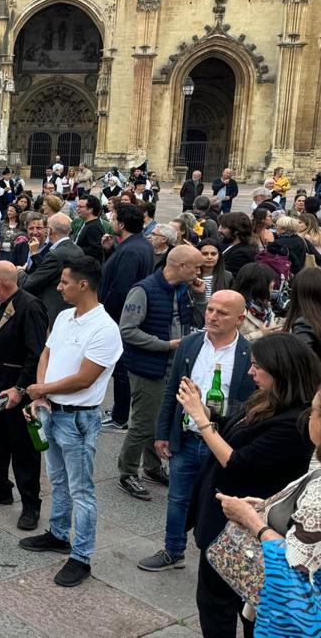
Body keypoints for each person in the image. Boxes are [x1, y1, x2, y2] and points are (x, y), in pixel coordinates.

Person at [181, 333, 321, 636]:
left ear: (281, 370)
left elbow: (236, 460)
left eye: (257, 366)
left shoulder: (293, 422)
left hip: (244, 525)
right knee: (219, 601)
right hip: (225, 515)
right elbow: (236, 425)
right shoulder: (268, 400)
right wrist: (210, 413)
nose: (250, 371)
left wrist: (200, 420)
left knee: (230, 605)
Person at [136, 290, 255, 572]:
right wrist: (162, 432)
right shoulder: (190, 345)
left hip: (222, 444)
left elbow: (250, 405)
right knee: (177, 498)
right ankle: (173, 550)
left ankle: (217, 558)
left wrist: (214, 412)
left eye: (222, 313)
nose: (212, 316)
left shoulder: (248, 354)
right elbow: (171, 391)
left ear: (240, 319)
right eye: (211, 309)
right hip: (187, 438)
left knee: (219, 504)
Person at [22, 258, 122, 587]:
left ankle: (81, 556)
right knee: (58, 481)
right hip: (51, 410)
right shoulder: (66, 315)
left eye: (64, 282)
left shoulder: (105, 328)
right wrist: (39, 396)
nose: (58, 287)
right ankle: (58, 533)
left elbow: (84, 379)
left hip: (78, 419)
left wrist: (42, 389)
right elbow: (46, 354)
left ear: (83, 285)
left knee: (82, 490)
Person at [214, 381, 321, 638]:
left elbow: (295, 571)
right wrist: (266, 507)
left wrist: (252, 521)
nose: (307, 417)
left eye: (314, 411)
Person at [116, 245, 208, 501]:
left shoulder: (185, 290)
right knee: (144, 423)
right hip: (148, 366)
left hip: (174, 366)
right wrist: (166, 345)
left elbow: (198, 322)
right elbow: (128, 330)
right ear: (181, 266)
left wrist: (199, 297)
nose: (200, 271)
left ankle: (153, 467)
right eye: (196, 266)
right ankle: (127, 472)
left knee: (160, 420)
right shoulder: (143, 290)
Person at [0, 261, 48, 530]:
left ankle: (30, 504)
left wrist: (20, 389)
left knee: (23, 446)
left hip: (15, 389)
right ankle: (0, 486)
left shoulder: (29, 307)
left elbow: (37, 353)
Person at [98, 203, 156, 431]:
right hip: (124, 314)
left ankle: (120, 416)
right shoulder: (136, 244)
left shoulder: (132, 249)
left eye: (113, 218)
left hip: (120, 316)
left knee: (121, 368)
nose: (111, 221)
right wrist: (111, 251)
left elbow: (122, 287)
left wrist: (104, 314)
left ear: (121, 224)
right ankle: (118, 411)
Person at [19, 213, 86, 324]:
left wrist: (19, 272)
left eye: (40, 228)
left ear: (49, 230)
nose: (35, 231)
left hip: (52, 311)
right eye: (31, 228)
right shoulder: (77, 249)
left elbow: (28, 284)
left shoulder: (55, 254)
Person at [73, 195, 106, 262]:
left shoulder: (93, 227)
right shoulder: (89, 224)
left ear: (91, 209)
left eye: (81, 207)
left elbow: (96, 250)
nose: (77, 209)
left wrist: (75, 249)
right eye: (77, 206)